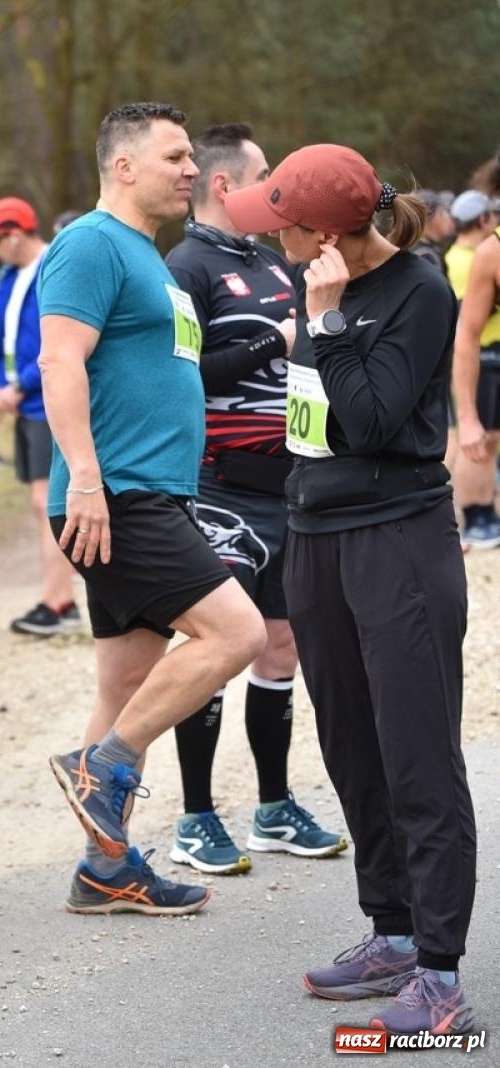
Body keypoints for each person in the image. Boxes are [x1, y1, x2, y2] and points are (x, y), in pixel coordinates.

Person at [226, 143, 476, 1037]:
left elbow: (371, 420)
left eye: (281, 224)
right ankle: (393, 931)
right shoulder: (311, 280)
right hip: (316, 537)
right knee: (351, 749)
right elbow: (312, 418)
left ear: (324, 230)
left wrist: (328, 324)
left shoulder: (419, 290)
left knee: (417, 752)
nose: (271, 237)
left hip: (399, 539)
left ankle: (441, 973)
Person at [40, 103, 267, 916]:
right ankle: (103, 767)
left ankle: (107, 868)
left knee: (127, 683)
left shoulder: (151, 257)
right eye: (173, 156)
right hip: (120, 497)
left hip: (151, 492)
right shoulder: (90, 245)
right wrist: (89, 480)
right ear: (124, 166)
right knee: (236, 632)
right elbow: (59, 361)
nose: (187, 170)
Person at [162, 123, 346, 876]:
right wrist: (277, 339)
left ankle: (273, 806)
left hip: (289, 488)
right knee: (214, 649)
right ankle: (196, 817)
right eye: (264, 176)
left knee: (281, 648)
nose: (278, 191)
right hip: (219, 490)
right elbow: (184, 378)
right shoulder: (183, 267)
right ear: (223, 186)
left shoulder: (274, 260)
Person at [0, 196, 80, 636]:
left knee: (50, 502)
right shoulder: (6, 277)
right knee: (41, 504)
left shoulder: (56, 267)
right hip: (22, 403)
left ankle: (59, 601)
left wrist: (21, 385)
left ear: (14, 235)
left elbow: (61, 343)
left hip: (50, 400)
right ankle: (59, 599)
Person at [445, 190, 500, 548]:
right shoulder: (469, 258)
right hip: (482, 355)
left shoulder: (459, 254)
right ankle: (478, 516)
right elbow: (467, 317)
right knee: (479, 440)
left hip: (487, 354)